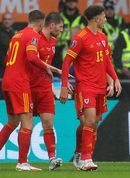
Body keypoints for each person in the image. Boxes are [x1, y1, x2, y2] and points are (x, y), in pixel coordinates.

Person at [59, 5, 121, 171]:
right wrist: (64, 86)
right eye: (103, 16)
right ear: (96, 18)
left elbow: (107, 61)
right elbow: (66, 63)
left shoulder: (102, 37)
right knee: (90, 120)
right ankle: (87, 159)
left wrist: (115, 79)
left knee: (91, 124)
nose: (106, 19)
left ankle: (80, 153)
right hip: (85, 86)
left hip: (100, 86)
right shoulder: (80, 38)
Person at [0, 10, 54, 171]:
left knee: (12, 121)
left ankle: (22, 162)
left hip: (7, 81)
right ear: (41, 23)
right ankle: (22, 162)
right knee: (27, 120)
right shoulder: (33, 35)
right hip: (19, 83)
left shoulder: (17, 35)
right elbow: (31, 57)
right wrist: (47, 67)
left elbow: (7, 59)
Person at [29, 12, 65, 171]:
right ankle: (22, 161)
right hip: (29, 87)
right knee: (21, 125)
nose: (61, 30)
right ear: (52, 25)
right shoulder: (34, 38)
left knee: (49, 123)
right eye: (60, 27)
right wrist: (54, 70)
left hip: (44, 88)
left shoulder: (54, 41)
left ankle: (52, 158)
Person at [55, 0, 86, 69]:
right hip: (58, 57)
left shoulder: (82, 20)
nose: (71, 2)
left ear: (77, 2)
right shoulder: (58, 18)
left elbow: (87, 38)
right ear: (65, 2)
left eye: (74, 1)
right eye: (69, 1)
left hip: (78, 57)